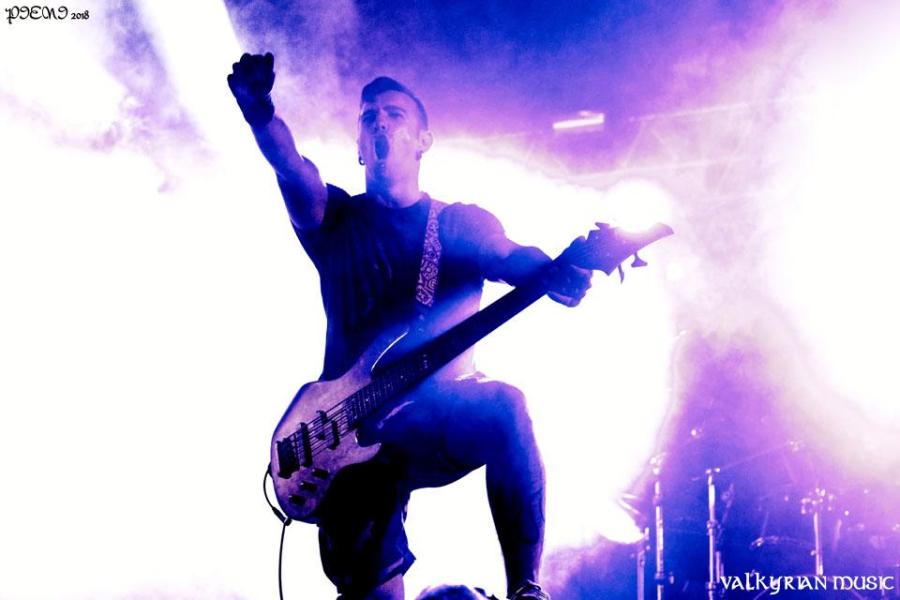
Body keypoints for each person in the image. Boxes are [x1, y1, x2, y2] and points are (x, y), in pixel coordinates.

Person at [228, 52, 592, 600]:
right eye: (368, 116)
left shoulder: (458, 224)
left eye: (395, 114)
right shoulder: (337, 219)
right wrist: (260, 112)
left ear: (424, 140)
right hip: (343, 432)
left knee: (504, 407)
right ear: (358, 145)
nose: (380, 121)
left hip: (431, 412)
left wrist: (558, 270)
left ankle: (526, 589)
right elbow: (291, 167)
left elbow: (511, 256)